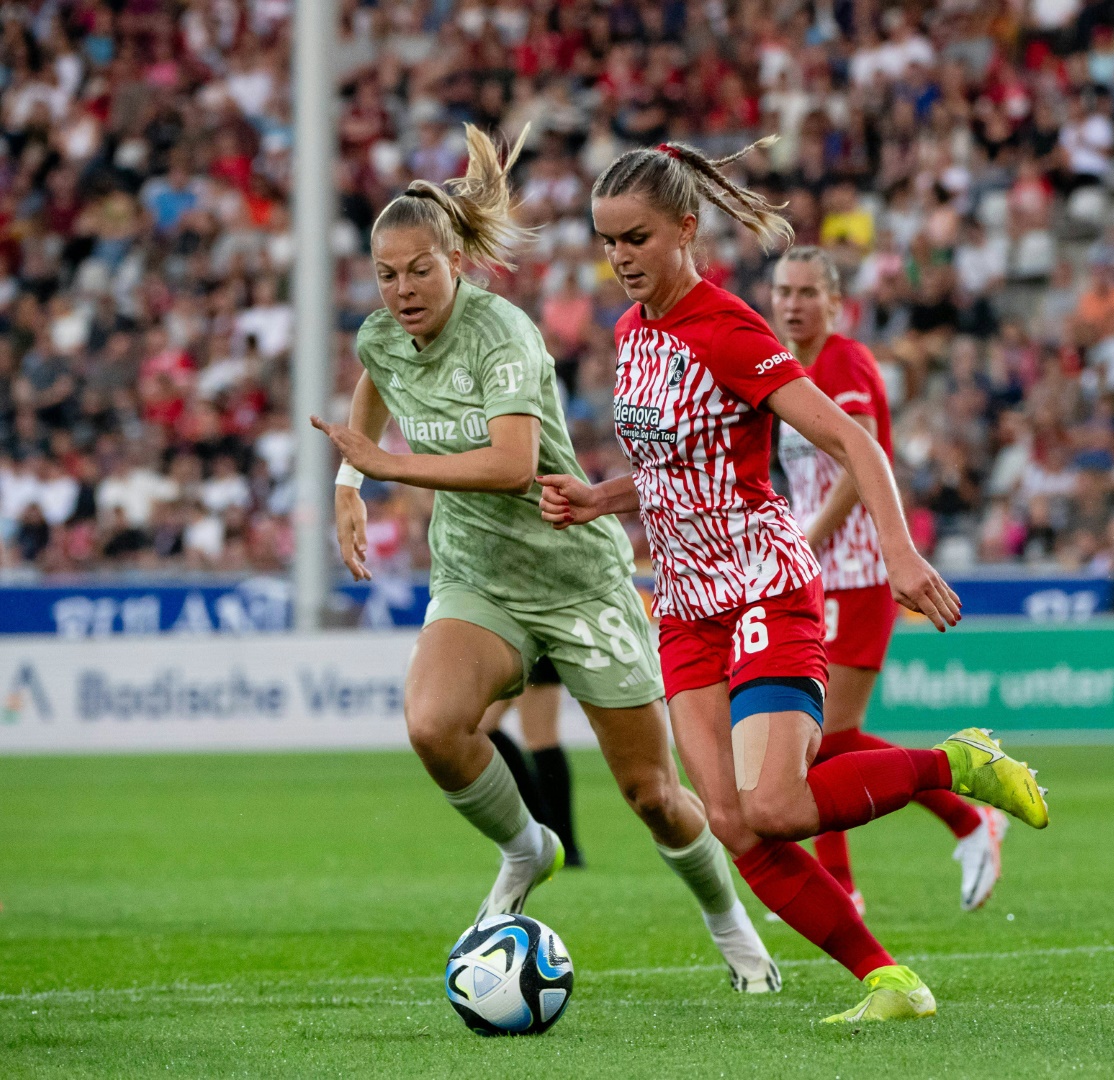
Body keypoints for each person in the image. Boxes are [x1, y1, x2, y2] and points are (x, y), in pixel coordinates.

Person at [540, 138, 1050, 1025]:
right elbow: (674, 464)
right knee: (733, 825)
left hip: (763, 585)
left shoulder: (730, 328)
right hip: (686, 607)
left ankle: (956, 763)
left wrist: (897, 553)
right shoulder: (631, 333)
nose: (619, 258)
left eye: (636, 238)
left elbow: (855, 442)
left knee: (775, 805)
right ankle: (891, 982)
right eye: (608, 240)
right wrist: (600, 497)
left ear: (686, 229)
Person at [309, 123, 779, 993]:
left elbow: (512, 466)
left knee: (652, 796)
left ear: (456, 258)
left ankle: (731, 924)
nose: (403, 289)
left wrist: (385, 468)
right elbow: (375, 380)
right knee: (431, 725)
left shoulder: (505, 337)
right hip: (478, 578)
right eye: (387, 274)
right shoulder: (382, 333)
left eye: (420, 269)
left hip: (577, 579)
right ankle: (530, 849)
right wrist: (347, 479)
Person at [770, 245, 1007, 913]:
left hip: (859, 570)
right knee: (810, 741)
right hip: (820, 576)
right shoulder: (789, 369)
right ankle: (843, 886)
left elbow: (858, 457)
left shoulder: (843, 361)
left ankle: (969, 818)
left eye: (807, 292)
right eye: (784, 291)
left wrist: (807, 537)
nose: (792, 303)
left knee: (830, 737)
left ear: (835, 301)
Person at [481, 658, 583, 867]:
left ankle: (564, 846)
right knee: (482, 727)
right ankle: (541, 833)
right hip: (510, 639)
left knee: (541, 738)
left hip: (533, 639)